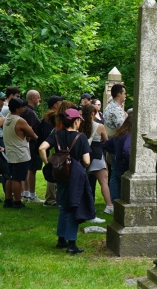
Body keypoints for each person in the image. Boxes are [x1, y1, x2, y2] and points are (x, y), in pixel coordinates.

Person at [39, 108, 93, 254]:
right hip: (76, 176)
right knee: (74, 207)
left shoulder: (56, 134)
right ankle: (71, 244)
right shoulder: (81, 137)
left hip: (61, 174)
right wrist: (81, 167)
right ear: (76, 121)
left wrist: (48, 164)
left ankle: (61, 239)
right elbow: (87, 160)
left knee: (63, 206)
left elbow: (42, 148)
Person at [2, 97, 37, 208]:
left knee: (10, 177)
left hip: (10, 153)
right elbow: (33, 134)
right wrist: (32, 136)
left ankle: (8, 200)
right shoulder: (20, 120)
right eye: (22, 106)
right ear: (17, 109)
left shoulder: (7, 118)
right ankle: (17, 202)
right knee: (18, 179)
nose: (24, 108)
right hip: (20, 154)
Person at [79, 104, 112, 221]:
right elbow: (106, 141)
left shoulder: (80, 126)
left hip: (83, 157)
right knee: (103, 182)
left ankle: (83, 205)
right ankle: (109, 205)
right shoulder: (100, 126)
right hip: (97, 156)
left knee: (83, 184)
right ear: (93, 113)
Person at [102, 114, 132, 215]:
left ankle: (116, 206)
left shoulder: (119, 134)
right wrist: (129, 160)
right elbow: (127, 150)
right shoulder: (129, 134)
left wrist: (115, 153)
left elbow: (105, 144)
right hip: (125, 166)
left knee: (116, 185)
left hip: (118, 164)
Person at [38, 95, 64, 207]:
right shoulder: (51, 118)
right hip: (53, 151)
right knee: (53, 175)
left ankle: (54, 198)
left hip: (51, 150)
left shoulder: (48, 117)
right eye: (60, 102)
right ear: (55, 104)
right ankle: (50, 199)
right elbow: (48, 136)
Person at [22, 90, 43, 203]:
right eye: (38, 97)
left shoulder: (27, 110)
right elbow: (29, 128)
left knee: (27, 168)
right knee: (32, 169)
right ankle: (32, 195)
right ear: (33, 98)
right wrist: (36, 137)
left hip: (28, 144)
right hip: (32, 145)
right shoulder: (29, 112)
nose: (39, 100)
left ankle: (25, 194)